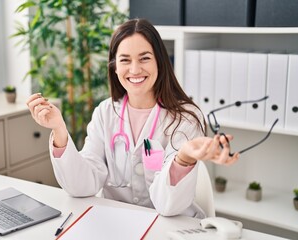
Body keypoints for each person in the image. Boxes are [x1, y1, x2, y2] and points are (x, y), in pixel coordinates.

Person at [26, 18, 239, 217]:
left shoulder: (185, 118)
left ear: (160, 62)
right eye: (125, 60)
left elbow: (169, 206)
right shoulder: (105, 113)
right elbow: (82, 186)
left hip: (171, 227)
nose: (135, 69)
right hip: (118, 224)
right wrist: (60, 131)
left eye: (145, 58)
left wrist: (183, 158)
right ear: (115, 67)